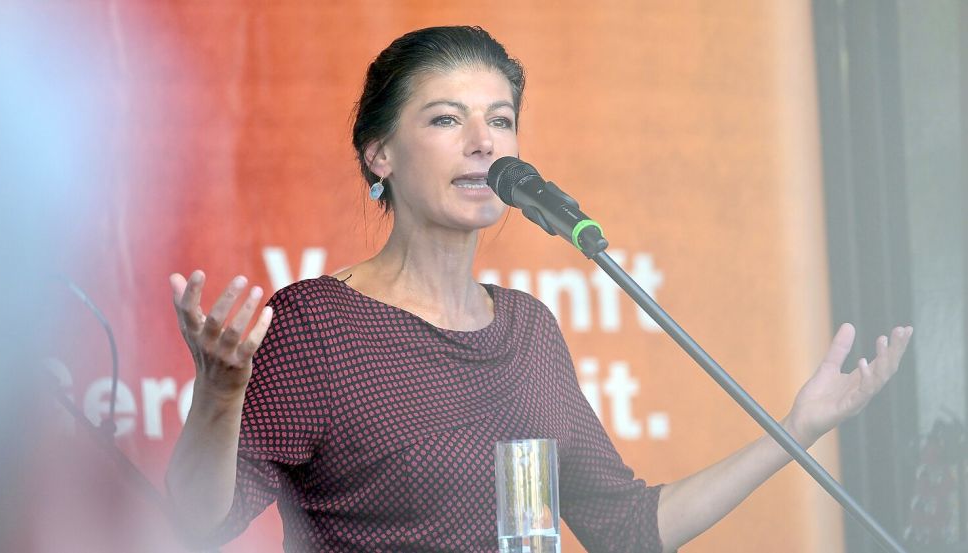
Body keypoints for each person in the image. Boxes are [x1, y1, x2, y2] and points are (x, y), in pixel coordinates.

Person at [165, 26, 913, 553]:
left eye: (500, 120)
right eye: (446, 119)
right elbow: (198, 525)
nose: (484, 142)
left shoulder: (526, 328)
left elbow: (624, 528)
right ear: (380, 152)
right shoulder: (316, 325)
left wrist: (798, 428)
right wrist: (220, 394)